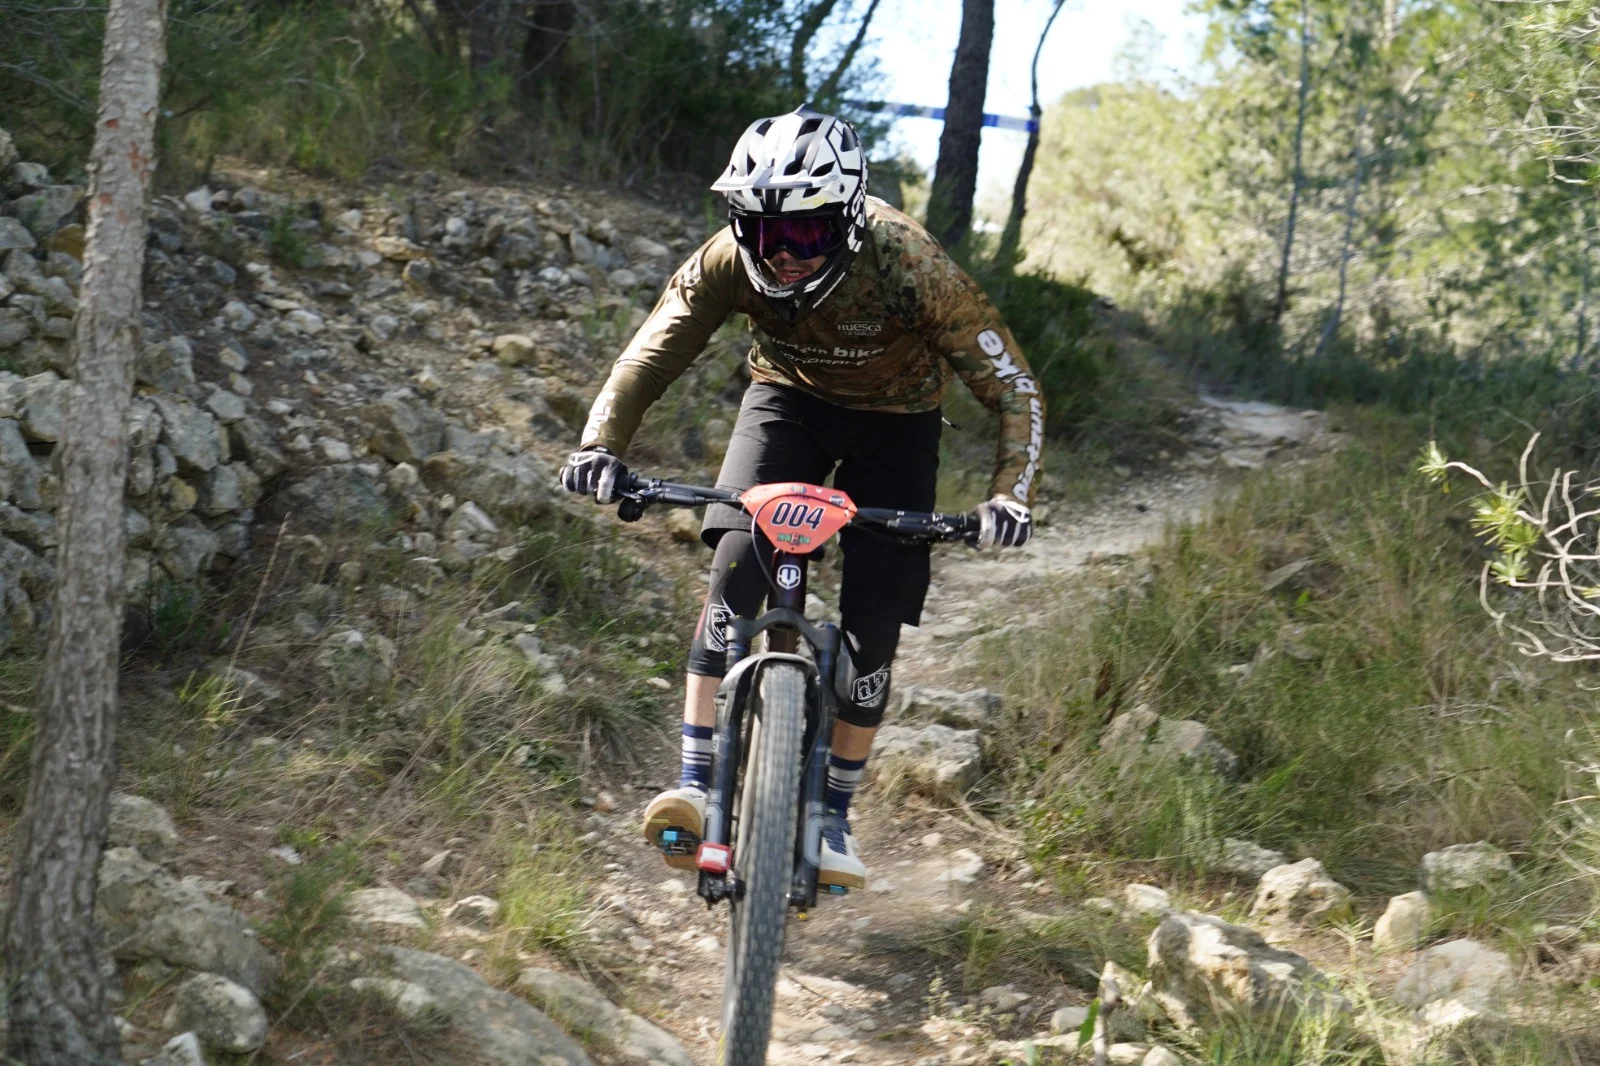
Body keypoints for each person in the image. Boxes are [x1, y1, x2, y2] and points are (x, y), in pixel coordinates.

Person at [559, 107, 1043, 889]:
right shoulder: (725, 261)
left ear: (848, 217)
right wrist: (598, 446)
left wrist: (1008, 495)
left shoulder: (907, 260)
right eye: (762, 232)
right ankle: (692, 778)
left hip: (899, 420)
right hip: (786, 399)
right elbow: (649, 353)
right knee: (738, 565)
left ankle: (833, 816)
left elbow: (1013, 385)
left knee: (874, 618)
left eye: (807, 235)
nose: (782, 256)